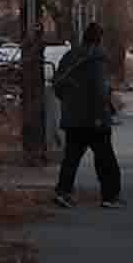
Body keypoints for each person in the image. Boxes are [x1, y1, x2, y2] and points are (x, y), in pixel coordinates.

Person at [49, 21, 122, 208]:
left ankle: (63, 192)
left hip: (73, 118)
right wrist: (105, 110)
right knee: (106, 159)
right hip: (94, 119)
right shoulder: (97, 58)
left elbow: (58, 85)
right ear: (100, 39)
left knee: (71, 158)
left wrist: (69, 103)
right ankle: (110, 196)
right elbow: (100, 89)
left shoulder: (70, 56)